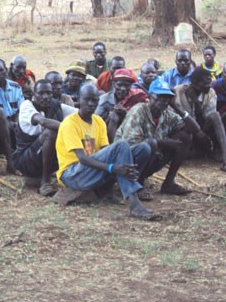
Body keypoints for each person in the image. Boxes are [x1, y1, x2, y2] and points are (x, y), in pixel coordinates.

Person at [56, 84, 160, 221]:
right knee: (121, 146)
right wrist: (113, 168)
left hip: (90, 171)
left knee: (144, 149)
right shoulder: (70, 123)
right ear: (79, 100)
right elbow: (83, 159)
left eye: (94, 100)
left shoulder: (98, 121)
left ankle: (106, 190)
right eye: (86, 99)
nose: (90, 104)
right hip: (72, 174)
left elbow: (106, 151)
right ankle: (134, 203)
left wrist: (114, 167)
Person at [116, 78, 199, 196]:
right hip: (128, 162)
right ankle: (137, 185)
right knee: (151, 144)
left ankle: (169, 183)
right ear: (149, 96)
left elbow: (195, 129)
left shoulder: (166, 114)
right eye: (159, 97)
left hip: (150, 159)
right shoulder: (138, 111)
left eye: (166, 98)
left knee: (185, 136)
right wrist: (163, 142)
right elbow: (131, 143)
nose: (163, 101)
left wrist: (175, 106)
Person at [11, 80, 76, 197]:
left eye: (49, 93)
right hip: (26, 160)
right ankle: (45, 182)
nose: (46, 97)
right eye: (41, 93)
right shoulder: (26, 106)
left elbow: (77, 115)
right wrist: (68, 129)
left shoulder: (56, 105)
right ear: (33, 94)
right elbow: (43, 121)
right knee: (50, 132)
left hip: (46, 158)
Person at [175, 67, 226, 171]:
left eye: (209, 83)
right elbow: (180, 120)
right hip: (185, 130)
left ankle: (225, 156)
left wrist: (196, 102)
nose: (209, 86)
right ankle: (201, 151)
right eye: (205, 83)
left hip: (202, 128)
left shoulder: (210, 92)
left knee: (215, 115)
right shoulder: (179, 91)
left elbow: (207, 116)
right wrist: (197, 132)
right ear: (194, 82)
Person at [95, 69, 148, 141]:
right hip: (108, 133)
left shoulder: (138, 96)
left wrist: (126, 114)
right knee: (114, 116)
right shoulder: (105, 100)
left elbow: (146, 115)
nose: (123, 89)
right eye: (119, 85)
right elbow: (96, 121)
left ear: (131, 85)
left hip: (134, 131)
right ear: (113, 84)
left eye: (126, 85)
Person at [0, 58, 24, 122]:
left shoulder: (16, 87)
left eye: (0, 70)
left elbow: (21, 110)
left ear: (6, 70)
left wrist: (16, 124)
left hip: (15, 121)